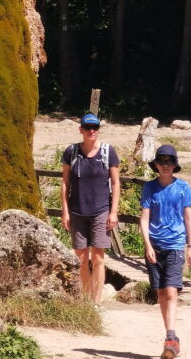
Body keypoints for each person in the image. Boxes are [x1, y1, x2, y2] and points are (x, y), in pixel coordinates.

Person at [139, 144, 191, 359]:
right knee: (161, 293)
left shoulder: (183, 188)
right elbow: (144, 219)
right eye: (161, 161)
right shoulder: (149, 188)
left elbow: (189, 218)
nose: (165, 165)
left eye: (169, 161)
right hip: (154, 245)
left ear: (175, 165)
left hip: (175, 245)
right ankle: (170, 337)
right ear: (156, 164)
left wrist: (190, 247)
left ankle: (171, 336)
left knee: (171, 291)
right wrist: (147, 246)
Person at [61, 112, 121, 304]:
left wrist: (113, 212)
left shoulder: (107, 152)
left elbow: (116, 183)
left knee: (98, 258)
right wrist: (65, 210)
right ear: (81, 130)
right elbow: (65, 183)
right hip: (77, 211)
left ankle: (96, 302)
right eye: (88, 127)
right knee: (81, 258)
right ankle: (86, 300)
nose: (92, 131)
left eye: (95, 127)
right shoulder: (71, 152)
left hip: (100, 211)